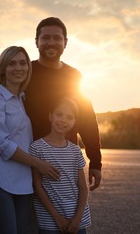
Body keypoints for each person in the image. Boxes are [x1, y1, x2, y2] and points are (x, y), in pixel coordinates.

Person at [0, 17, 102, 191]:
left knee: (64, 208)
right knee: (33, 214)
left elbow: (87, 120)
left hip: (63, 156)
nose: (51, 42)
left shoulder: (74, 77)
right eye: (46, 37)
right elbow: (0, 98)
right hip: (29, 157)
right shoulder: (26, 72)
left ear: (66, 42)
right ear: (36, 42)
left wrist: (95, 161)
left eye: (57, 38)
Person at [0, 46, 60, 233]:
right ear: (3, 68)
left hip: (21, 179)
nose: (18, 68)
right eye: (11, 63)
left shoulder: (21, 98)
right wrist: (39, 164)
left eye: (23, 63)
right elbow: (3, 145)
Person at [29, 97, 91, 234]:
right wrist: (57, 217)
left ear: (75, 122)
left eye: (70, 117)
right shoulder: (37, 148)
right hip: (49, 221)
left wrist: (77, 219)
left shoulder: (75, 150)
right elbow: (37, 186)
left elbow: (83, 188)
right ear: (50, 116)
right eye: (59, 114)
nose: (63, 120)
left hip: (77, 221)